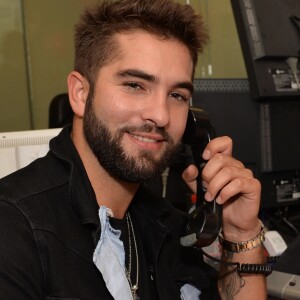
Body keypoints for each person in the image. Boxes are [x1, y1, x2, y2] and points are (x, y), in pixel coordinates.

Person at [0, 0, 267, 299]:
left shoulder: (165, 225)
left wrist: (241, 235)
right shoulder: (14, 227)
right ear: (80, 94)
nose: (161, 115)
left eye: (177, 95)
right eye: (135, 85)